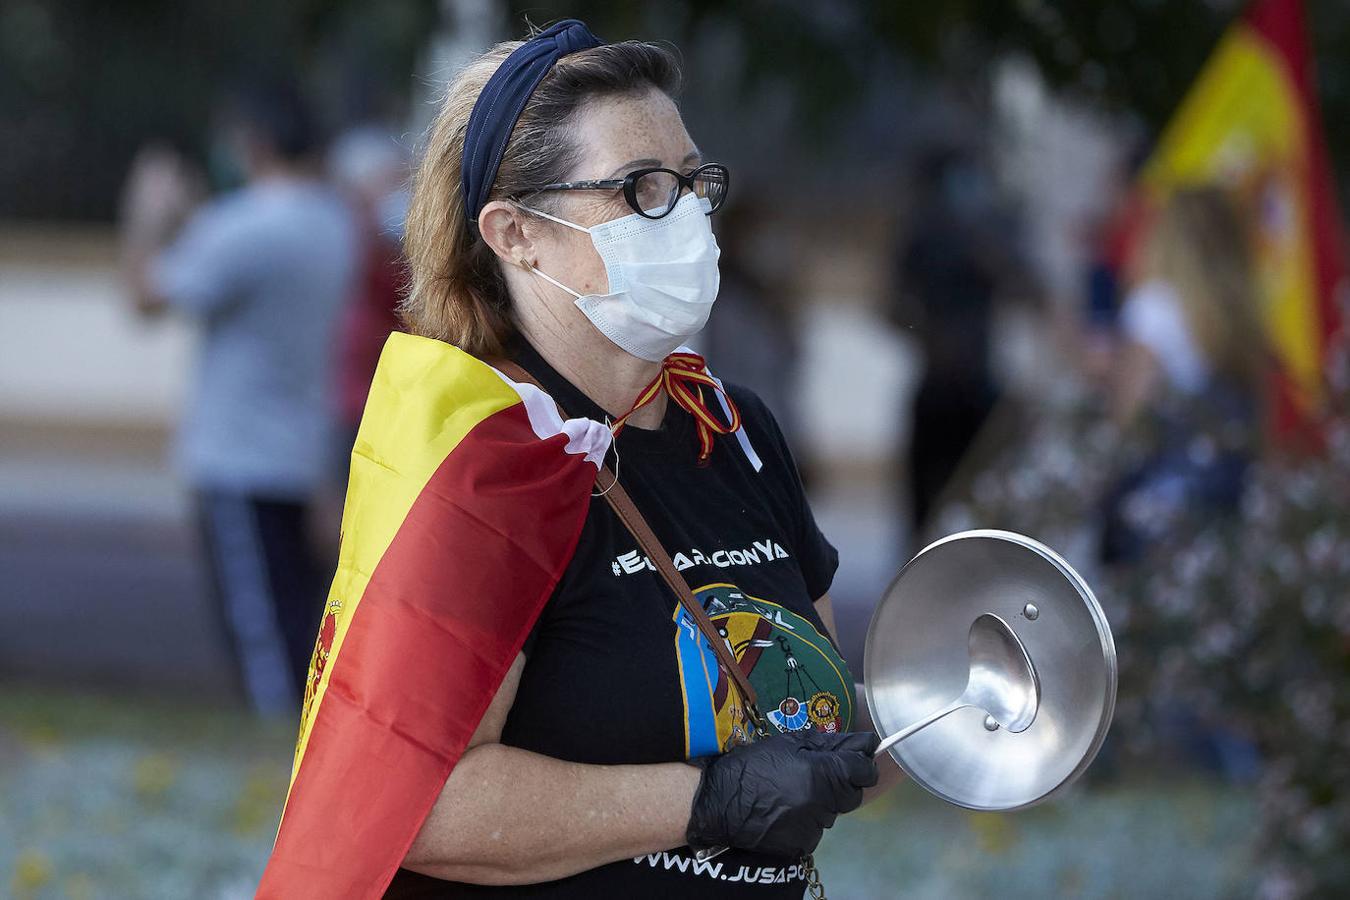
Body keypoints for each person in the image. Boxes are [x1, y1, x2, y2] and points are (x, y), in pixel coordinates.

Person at [258, 20, 900, 900]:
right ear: (515, 233)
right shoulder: (480, 468)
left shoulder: (733, 431)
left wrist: (951, 704)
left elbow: (806, 710)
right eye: (640, 189)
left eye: (693, 182)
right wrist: (711, 802)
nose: (685, 214)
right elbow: (416, 803)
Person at [120, 79, 357, 715]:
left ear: (252, 143)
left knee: (262, 645)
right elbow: (230, 251)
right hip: (298, 456)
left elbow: (145, 297)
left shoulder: (242, 228)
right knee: (297, 625)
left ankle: (275, 760)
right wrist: (200, 216)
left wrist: (146, 211)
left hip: (236, 461)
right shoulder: (330, 223)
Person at [1100, 186, 1267, 562]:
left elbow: (1128, 416)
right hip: (1223, 499)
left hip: (1160, 506)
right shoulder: (1240, 317)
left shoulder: (1153, 307)